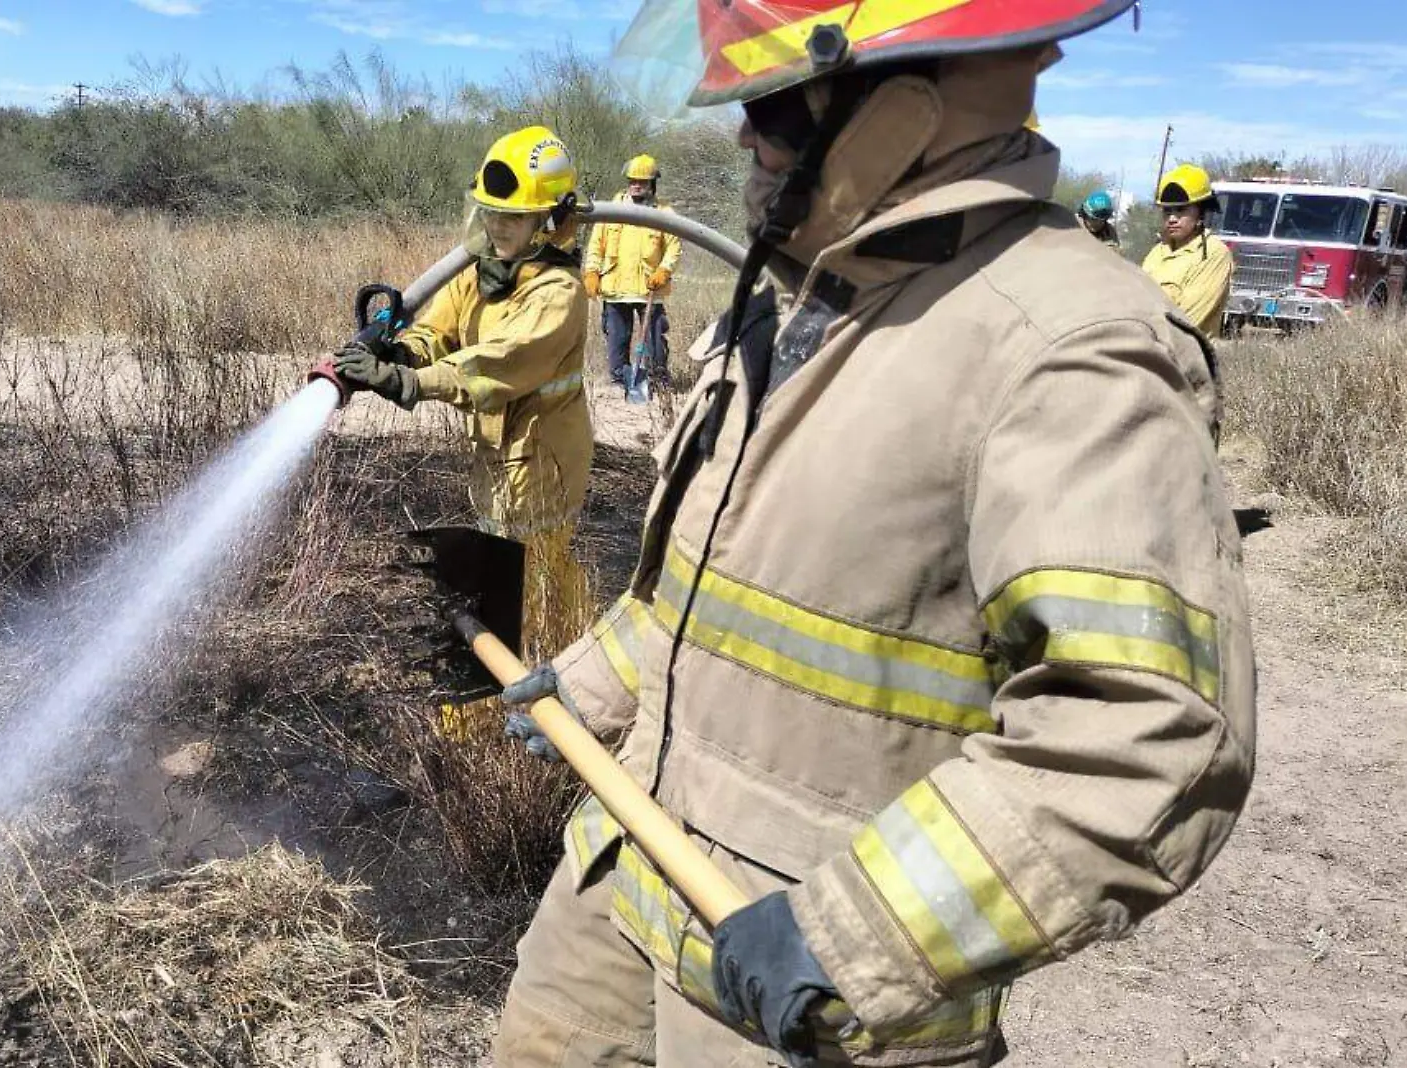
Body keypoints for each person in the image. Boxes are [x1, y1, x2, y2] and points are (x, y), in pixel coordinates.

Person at [494, 2, 1255, 1066]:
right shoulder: (794, 300)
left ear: (899, 115)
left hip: (799, 981)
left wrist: (856, 933)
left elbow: (1142, 731)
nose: (741, 140)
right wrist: (594, 681)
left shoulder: (1068, 349)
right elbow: (721, 590)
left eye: (765, 109)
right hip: (625, 872)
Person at [335, 126, 595, 670]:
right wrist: (401, 355)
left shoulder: (558, 291)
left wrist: (407, 384)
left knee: (535, 577)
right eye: (491, 213)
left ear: (548, 220)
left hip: (543, 461)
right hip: (498, 455)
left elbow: (495, 363)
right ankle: (515, 666)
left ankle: (553, 673)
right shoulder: (480, 276)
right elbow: (439, 333)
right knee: (505, 563)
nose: (497, 226)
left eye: (513, 216)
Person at [584, 154, 682, 393]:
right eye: (632, 180)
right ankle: (621, 383)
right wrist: (591, 272)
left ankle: (658, 381)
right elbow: (597, 244)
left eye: (642, 181)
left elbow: (674, 248)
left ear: (652, 184)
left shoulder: (664, 212)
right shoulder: (611, 209)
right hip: (615, 289)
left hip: (650, 289)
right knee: (617, 340)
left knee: (655, 342)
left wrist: (664, 270)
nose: (636, 185)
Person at [1143, 164, 1235, 338]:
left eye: (1181, 210)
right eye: (1167, 211)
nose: (1172, 218)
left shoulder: (1214, 254)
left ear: (1201, 212)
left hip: (1185, 359)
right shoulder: (1157, 251)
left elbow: (1186, 321)